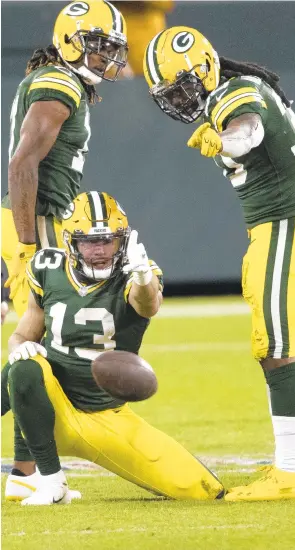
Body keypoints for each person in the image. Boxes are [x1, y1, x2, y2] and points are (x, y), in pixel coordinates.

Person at [143, 26, 295, 501]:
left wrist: (224, 140)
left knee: (276, 346)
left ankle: (289, 472)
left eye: (183, 86)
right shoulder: (234, 91)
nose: (179, 100)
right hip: (278, 222)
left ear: (205, 68)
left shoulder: (234, 92)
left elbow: (246, 129)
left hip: (283, 223)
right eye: (169, 94)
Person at [2, 191, 225, 505]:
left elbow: (148, 306)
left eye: (109, 240)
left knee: (204, 491)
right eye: (90, 241)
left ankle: (27, 477)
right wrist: (17, 347)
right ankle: (48, 482)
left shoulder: (137, 272)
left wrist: (143, 276)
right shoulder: (47, 266)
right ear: (69, 241)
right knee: (24, 366)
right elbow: (24, 335)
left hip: (106, 415)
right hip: (53, 405)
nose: (100, 250)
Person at [1, 0, 128, 501]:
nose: (106, 58)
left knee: (35, 348)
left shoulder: (65, 82)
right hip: (39, 225)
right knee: (37, 348)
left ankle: (25, 470)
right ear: (73, 42)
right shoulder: (59, 84)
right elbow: (22, 161)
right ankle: (29, 471)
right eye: (99, 47)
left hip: (39, 222)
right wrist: (31, 243)